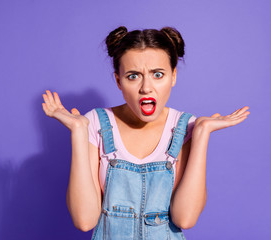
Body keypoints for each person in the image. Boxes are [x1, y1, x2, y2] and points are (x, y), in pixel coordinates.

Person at [42, 26, 250, 239]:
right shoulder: (95, 123)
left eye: (158, 74)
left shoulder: (186, 127)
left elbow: (185, 219)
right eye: (133, 76)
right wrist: (78, 132)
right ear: (118, 81)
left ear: (173, 76)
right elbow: (84, 221)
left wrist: (202, 133)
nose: (146, 88)